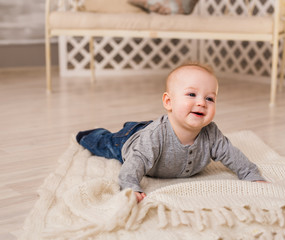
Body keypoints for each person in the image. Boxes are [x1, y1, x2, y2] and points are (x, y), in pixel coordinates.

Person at [77, 62, 266, 203]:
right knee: (105, 143)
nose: (201, 102)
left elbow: (232, 155)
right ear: (168, 102)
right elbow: (136, 162)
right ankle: (90, 134)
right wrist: (130, 186)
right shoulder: (154, 137)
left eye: (210, 98)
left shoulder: (212, 134)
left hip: (153, 129)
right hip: (129, 141)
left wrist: (251, 174)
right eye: (192, 94)